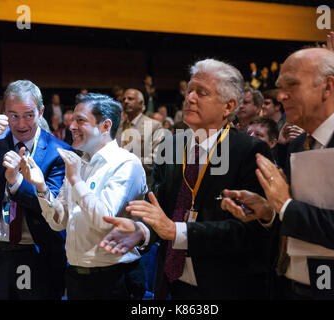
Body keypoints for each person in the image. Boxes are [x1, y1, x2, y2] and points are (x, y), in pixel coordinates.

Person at [226, 47, 334, 299]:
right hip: (297, 286)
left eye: (291, 85)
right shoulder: (298, 143)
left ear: (328, 87)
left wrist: (284, 205)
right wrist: (269, 211)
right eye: (279, 86)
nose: (281, 95)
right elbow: (306, 219)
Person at [101, 59, 275, 300]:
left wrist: (177, 231)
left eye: (201, 93)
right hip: (171, 281)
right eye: (189, 91)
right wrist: (142, 230)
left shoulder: (250, 151)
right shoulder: (172, 143)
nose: (190, 98)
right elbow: (161, 207)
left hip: (224, 283)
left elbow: (246, 231)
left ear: (229, 106)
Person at [20, 93, 147, 300]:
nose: (71, 126)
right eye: (72, 120)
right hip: (77, 277)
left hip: (114, 279)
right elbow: (58, 223)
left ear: (105, 126)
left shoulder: (125, 163)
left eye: (80, 120)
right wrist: (41, 187)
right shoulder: (78, 163)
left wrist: (77, 181)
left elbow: (104, 221)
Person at [0, 80, 72, 300]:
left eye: (28, 115)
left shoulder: (59, 152)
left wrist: (16, 183)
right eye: (13, 115)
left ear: (40, 112)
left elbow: (52, 208)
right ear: (3, 113)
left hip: (36, 254)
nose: (21, 124)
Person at [115, 88, 164, 187]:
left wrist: (126, 163)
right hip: (117, 182)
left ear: (141, 103)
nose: (126, 101)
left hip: (143, 183)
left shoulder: (153, 125)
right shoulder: (118, 127)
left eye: (130, 99)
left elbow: (155, 159)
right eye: (123, 99)